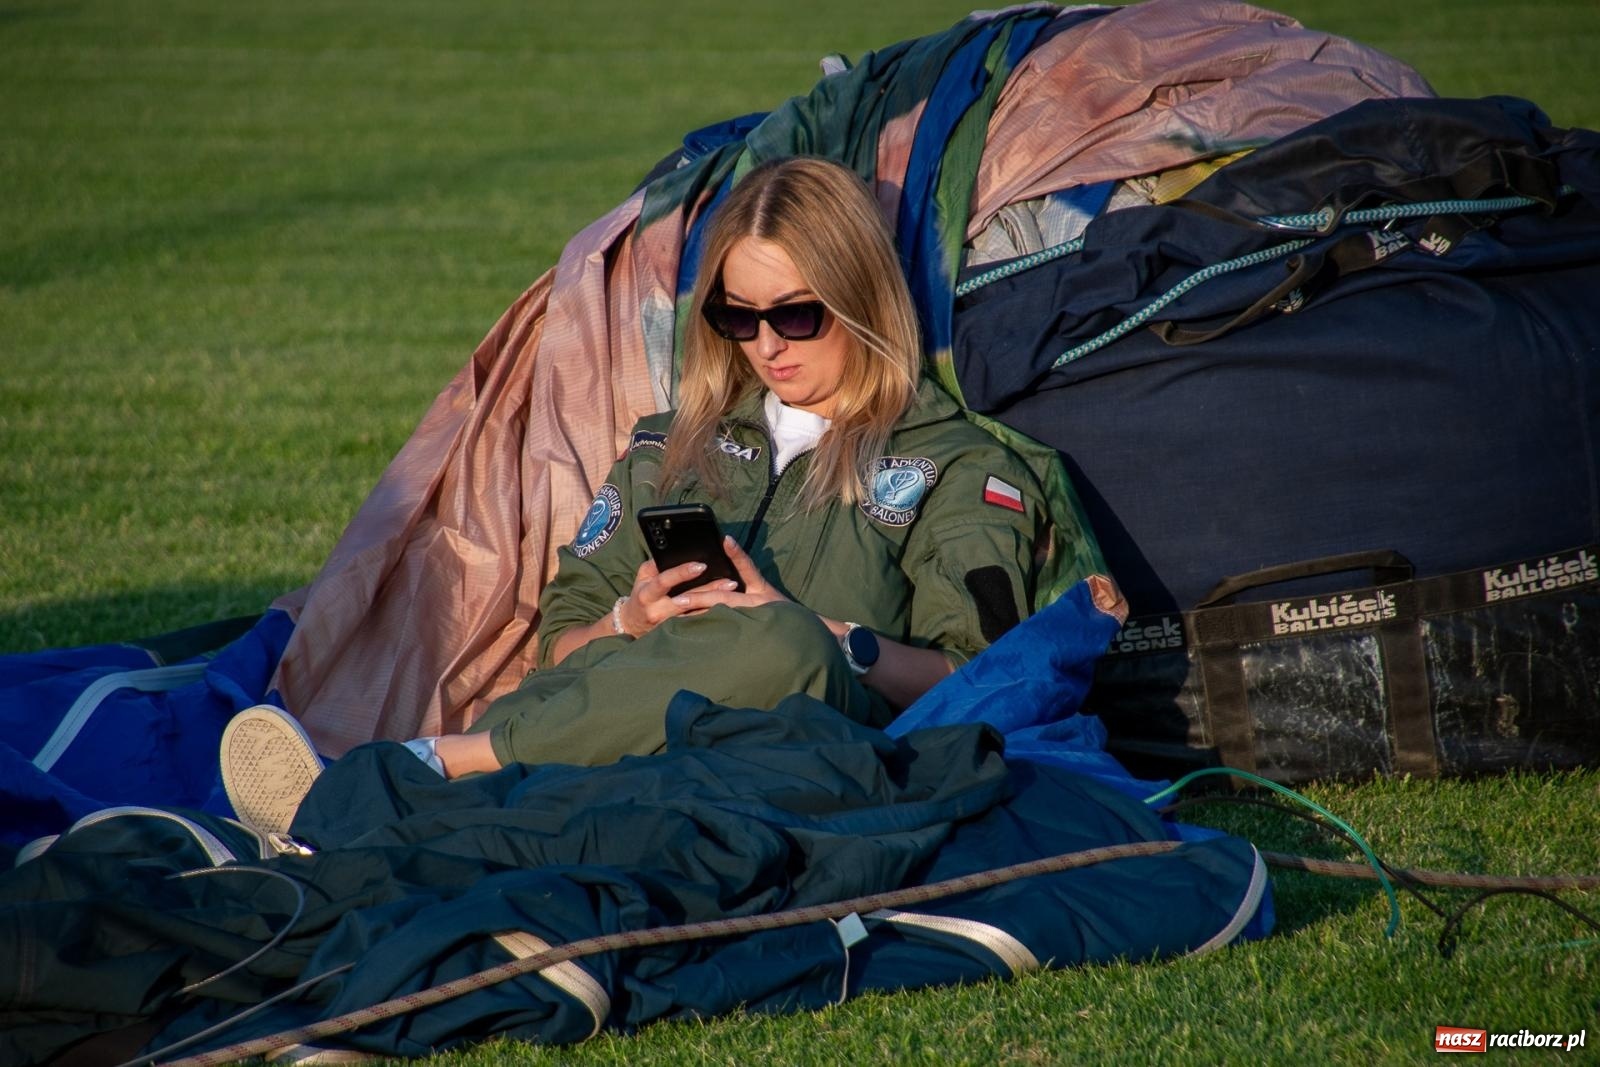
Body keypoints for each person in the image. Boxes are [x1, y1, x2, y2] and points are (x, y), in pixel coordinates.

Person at [221, 156, 1054, 836]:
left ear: (862, 300)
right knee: (569, 702)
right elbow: (560, 643)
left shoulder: (952, 464)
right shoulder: (674, 443)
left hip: (811, 737)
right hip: (623, 722)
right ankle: (382, 811)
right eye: (739, 317)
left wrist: (839, 640)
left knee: (776, 647)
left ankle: (410, 770)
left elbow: (980, 676)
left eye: (797, 317)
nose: (767, 345)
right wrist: (629, 621)